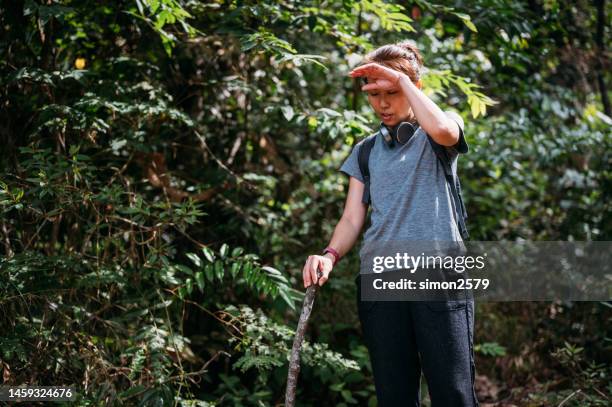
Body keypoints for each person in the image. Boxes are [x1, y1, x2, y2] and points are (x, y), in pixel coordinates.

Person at [301, 41, 478, 406]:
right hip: (381, 282)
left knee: (454, 395)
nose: (382, 103)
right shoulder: (366, 151)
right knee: (394, 397)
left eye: (392, 92)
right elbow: (352, 217)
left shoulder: (438, 133)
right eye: (375, 94)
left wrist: (403, 79)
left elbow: (446, 131)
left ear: (414, 89)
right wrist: (329, 255)